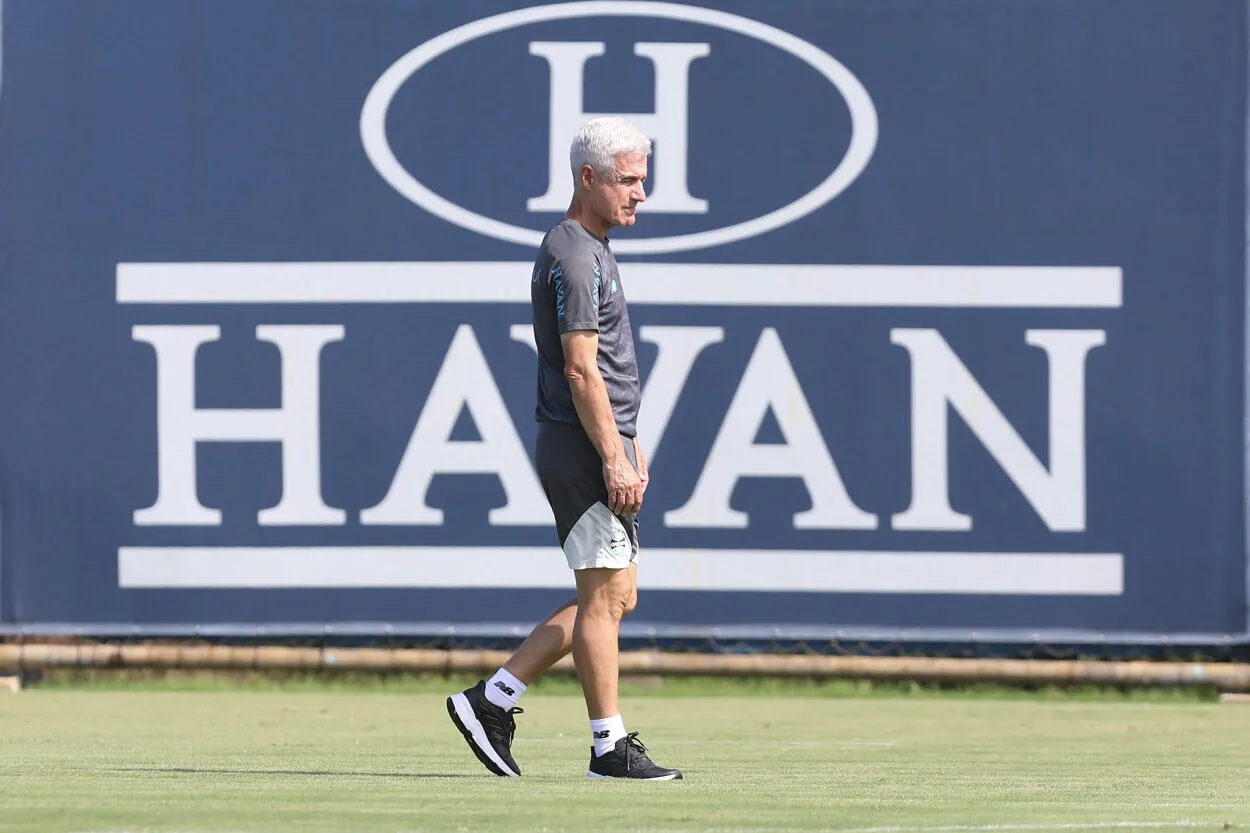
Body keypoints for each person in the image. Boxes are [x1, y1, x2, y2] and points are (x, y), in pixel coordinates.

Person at [446, 116, 681, 781]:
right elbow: (581, 370)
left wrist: (628, 440)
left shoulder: (589, 247)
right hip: (580, 447)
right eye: (627, 180)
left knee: (616, 595)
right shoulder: (576, 255)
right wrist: (611, 454)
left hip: (594, 441)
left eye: (642, 179)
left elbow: (600, 368)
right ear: (587, 177)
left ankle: (493, 698)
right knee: (605, 598)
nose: (641, 192)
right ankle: (608, 747)